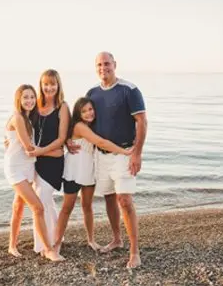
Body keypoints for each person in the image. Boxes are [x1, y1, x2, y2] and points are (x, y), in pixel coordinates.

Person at [69, 52, 147, 268]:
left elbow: (142, 121)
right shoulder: (92, 92)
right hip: (100, 156)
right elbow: (80, 120)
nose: (103, 68)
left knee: (125, 200)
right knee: (110, 199)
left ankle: (134, 251)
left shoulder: (129, 90)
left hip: (124, 152)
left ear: (115, 65)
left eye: (107, 64)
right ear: (96, 68)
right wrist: (68, 141)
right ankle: (117, 239)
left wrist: (137, 153)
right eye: (99, 64)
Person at [54, 97, 133, 254]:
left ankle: (91, 239)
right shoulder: (79, 126)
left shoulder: (92, 125)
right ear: (78, 113)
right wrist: (124, 151)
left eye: (90, 109)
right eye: (83, 111)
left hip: (89, 169)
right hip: (75, 169)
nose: (88, 113)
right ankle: (56, 244)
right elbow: (101, 142)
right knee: (67, 207)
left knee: (87, 206)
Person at [4, 84, 62, 261]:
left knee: (18, 206)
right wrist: (56, 151)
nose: (29, 101)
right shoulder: (18, 118)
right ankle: (48, 249)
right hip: (16, 169)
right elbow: (29, 148)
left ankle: (12, 245)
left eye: (31, 97)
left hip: (28, 167)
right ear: (18, 100)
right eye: (25, 97)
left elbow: (13, 141)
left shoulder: (30, 118)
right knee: (38, 207)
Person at [27, 69, 70, 257]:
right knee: (45, 201)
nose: (49, 87)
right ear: (41, 85)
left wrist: (40, 151)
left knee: (44, 197)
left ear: (58, 85)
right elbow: (18, 121)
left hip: (52, 161)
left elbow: (61, 139)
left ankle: (45, 244)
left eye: (53, 84)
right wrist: (8, 138)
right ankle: (54, 238)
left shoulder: (63, 107)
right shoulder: (34, 105)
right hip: (35, 161)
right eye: (46, 84)